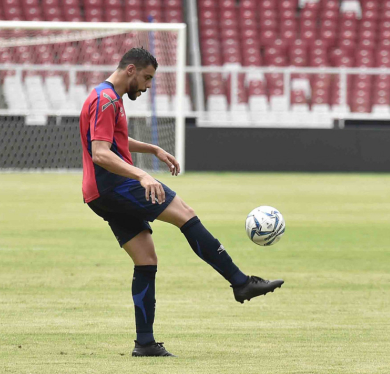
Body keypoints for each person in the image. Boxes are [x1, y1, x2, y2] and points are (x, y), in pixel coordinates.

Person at [79, 48, 284, 357]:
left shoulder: (107, 97)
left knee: (146, 261)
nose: (147, 86)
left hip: (101, 194)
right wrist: (142, 176)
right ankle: (240, 282)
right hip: (114, 185)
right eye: (147, 78)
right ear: (130, 70)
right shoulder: (106, 100)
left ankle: (145, 344)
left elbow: (115, 141)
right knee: (185, 214)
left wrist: (153, 149)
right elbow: (100, 153)